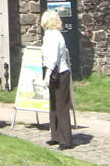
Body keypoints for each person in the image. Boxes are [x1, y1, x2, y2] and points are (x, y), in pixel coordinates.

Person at [40, 10, 73, 149]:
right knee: (53, 104)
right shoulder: (49, 34)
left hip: (59, 73)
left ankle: (66, 140)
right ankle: (55, 135)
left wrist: (47, 75)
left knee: (61, 106)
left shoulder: (53, 35)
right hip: (54, 72)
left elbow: (53, 58)